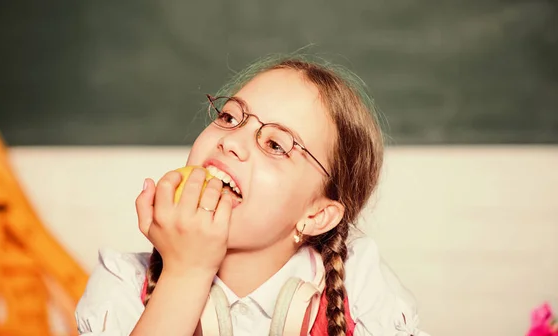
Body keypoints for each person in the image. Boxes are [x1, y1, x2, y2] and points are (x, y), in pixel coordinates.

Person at [74, 54, 430, 336]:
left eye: (276, 144)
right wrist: (186, 272)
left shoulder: (362, 286)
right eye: (230, 118)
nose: (232, 141)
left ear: (317, 215)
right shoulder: (122, 281)